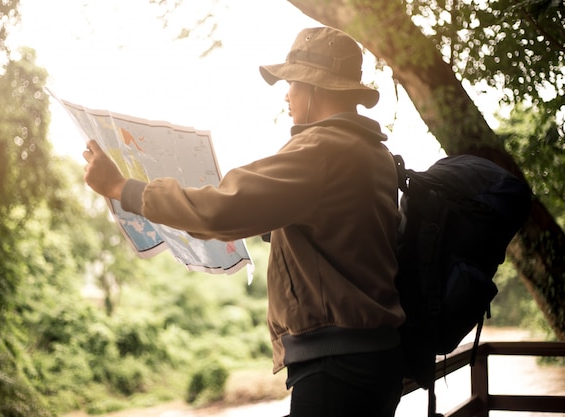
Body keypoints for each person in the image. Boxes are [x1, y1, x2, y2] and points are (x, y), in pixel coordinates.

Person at [83, 26, 406, 417]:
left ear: (315, 87)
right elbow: (340, 234)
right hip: (373, 360)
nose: (287, 94)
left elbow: (220, 209)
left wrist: (121, 187)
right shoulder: (371, 153)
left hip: (336, 369)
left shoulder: (320, 149)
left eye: (291, 82)